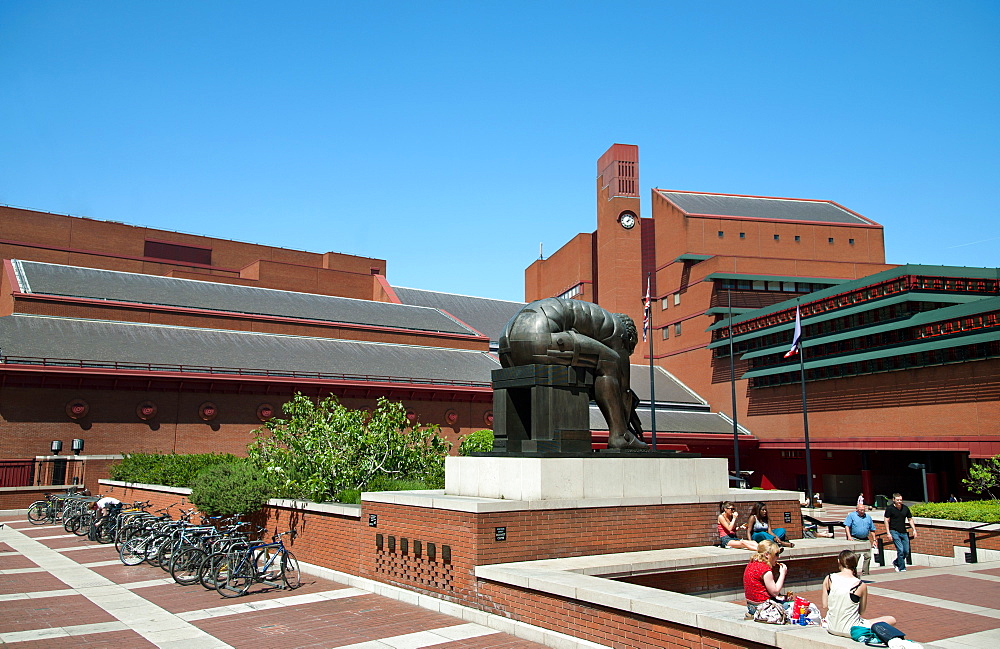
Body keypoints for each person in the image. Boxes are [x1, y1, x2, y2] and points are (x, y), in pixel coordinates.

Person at [498, 298, 647, 449]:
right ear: (628, 340)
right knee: (610, 362)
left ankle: (510, 440)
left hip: (505, 344)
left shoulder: (600, 319)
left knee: (599, 360)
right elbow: (623, 387)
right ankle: (620, 436)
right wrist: (626, 419)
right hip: (538, 337)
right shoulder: (619, 331)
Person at [823, 550, 896, 637]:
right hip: (851, 630)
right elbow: (862, 611)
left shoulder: (829, 578)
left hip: (832, 627)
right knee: (891, 619)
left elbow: (825, 605)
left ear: (839, 561)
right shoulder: (860, 584)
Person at [743, 539, 786, 617]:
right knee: (795, 606)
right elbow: (775, 592)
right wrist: (782, 573)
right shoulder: (765, 570)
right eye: (776, 554)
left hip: (751, 606)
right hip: (763, 608)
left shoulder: (752, 563)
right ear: (767, 554)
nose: (779, 557)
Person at [884, 493, 916, 572]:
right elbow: (886, 520)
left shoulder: (905, 508)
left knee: (906, 551)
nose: (899, 502)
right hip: (894, 531)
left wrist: (914, 529)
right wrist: (888, 533)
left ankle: (896, 562)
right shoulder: (890, 508)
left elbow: (910, 519)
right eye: (897, 500)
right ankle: (902, 568)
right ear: (894, 500)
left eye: (900, 500)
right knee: (900, 550)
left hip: (903, 531)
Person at [844, 500, 877, 575]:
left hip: (865, 539)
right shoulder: (852, 516)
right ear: (857, 510)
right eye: (861, 510)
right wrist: (849, 536)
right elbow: (847, 526)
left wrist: (874, 540)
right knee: (856, 557)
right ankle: (853, 572)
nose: (862, 511)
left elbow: (872, 529)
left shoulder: (868, 517)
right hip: (855, 538)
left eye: (863, 510)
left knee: (868, 556)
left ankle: (865, 572)